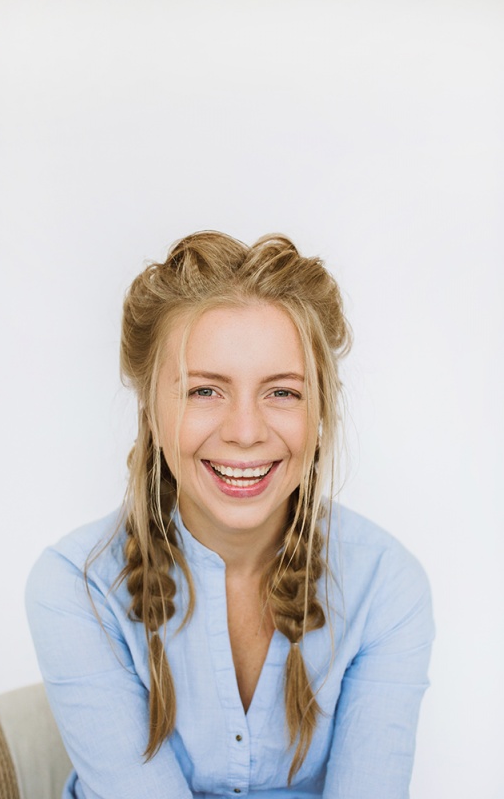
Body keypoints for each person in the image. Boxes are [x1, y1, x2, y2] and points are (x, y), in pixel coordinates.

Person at [26, 231, 434, 799]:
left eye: (282, 393)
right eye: (204, 391)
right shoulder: (78, 586)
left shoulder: (385, 585)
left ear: (320, 410)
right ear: (149, 409)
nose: (245, 432)